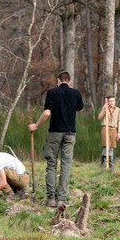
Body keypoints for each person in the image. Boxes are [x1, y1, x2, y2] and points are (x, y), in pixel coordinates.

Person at [28, 71, 85, 207]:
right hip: (70, 133)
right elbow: (80, 109)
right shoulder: (76, 93)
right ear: (69, 81)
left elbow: (47, 112)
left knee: (52, 164)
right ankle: (62, 199)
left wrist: (36, 125)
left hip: (55, 133)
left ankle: (51, 198)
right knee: (66, 165)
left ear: (58, 81)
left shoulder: (52, 93)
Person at [98, 96, 120, 168]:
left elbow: (119, 120)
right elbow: (99, 117)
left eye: (113, 101)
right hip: (106, 128)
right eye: (110, 101)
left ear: (115, 101)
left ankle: (111, 165)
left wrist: (119, 132)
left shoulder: (117, 109)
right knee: (107, 146)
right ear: (108, 102)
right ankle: (103, 163)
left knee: (111, 147)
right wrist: (104, 109)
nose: (112, 102)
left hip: (114, 129)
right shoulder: (105, 108)